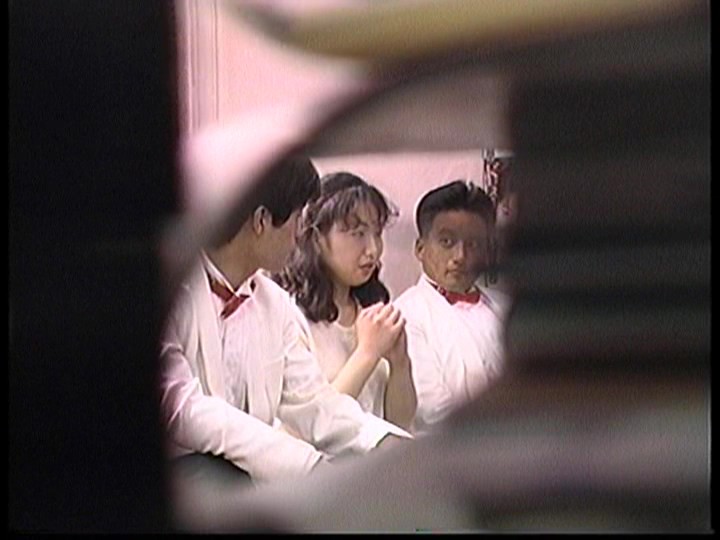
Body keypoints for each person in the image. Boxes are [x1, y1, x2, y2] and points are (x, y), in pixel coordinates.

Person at [159, 155, 412, 491]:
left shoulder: (275, 304)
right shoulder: (169, 291)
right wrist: (310, 465)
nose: (299, 235)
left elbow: (313, 402)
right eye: (297, 219)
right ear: (262, 221)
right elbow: (184, 409)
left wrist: (386, 441)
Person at [276, 172, 417, 431]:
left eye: (377, 233)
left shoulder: (372, 313)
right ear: (317, 238)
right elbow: (311, 426)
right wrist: (368, 352)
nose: (373, 249)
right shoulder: (290, 317)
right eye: (357, 233)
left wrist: (400, 364)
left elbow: (401, 423)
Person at [394, 180, 511, 436]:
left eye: (473, 244)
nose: (460, 256)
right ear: (420, 249)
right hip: (445, 451)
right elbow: (434, 409)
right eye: (447, 242)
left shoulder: (506, 310)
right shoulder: (404, 316)